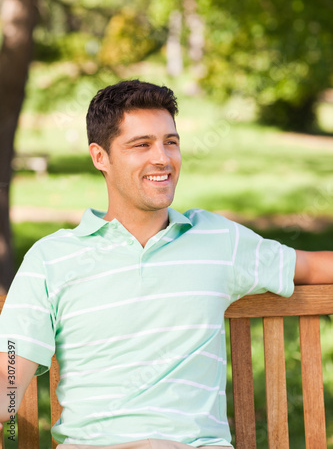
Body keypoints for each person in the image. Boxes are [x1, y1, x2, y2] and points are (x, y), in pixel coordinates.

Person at [0, 79, 332, 449]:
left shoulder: (218, 240)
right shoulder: (51, 259)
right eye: (141, 144)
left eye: (170, 142)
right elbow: (7, 376)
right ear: (100, 157)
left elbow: (315, 267)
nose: (163, 158)